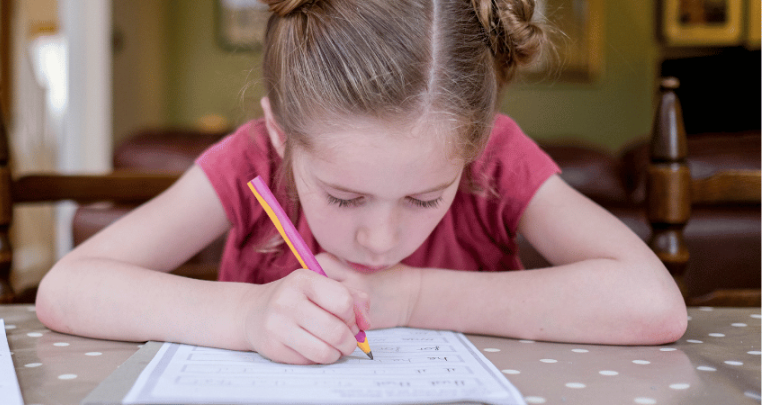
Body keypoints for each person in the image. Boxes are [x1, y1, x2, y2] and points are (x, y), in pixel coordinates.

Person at [36, 0, 687, 365]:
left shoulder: (495, 160)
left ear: (472, 151)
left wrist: (411, 296)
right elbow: (69, 287)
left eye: (426, 197)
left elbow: (651, 302)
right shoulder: (251, 160)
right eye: (343, 197)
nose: (379, 239)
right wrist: (248, 314)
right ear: (281, 137)